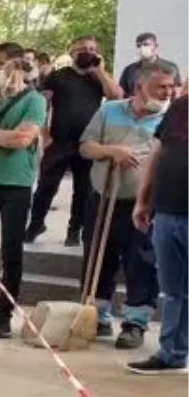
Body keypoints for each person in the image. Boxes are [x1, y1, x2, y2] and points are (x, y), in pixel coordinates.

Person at [77, 64, 172, 348]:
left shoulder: (172, 117)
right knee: (98, 257)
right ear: (140, 87)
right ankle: (98, 315)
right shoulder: (110, 110)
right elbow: (86, 146)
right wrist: (112, 151)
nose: (168, 93)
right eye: (161, 87)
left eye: (171, 87)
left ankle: (135, 323)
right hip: (103, 197)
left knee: (141, 262)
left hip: (142, 205)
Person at [26, 35, 124, 247]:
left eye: (92, 49)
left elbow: (116, 95)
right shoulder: (57, 76)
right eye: (83, 49)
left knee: (83, 190)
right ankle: (35, 225)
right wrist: (43, 133)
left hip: (88, 143)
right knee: (46, 186)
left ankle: (74, 231)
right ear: (72, 53)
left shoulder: (98, 79)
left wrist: (99, 70)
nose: (87, 52)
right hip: (59, 142)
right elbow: (43, 103)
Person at [0, 42, 48, 338]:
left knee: (12, 251)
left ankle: (3, 314)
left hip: (17, 184)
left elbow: (23, 139)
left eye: (2, 64)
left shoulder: (35, 100)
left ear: (18, 66)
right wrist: (1, 136)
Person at [130, 94, 189, 374]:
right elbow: (157, 151)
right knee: (173, 289)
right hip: (167, 210)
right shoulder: (180, 106)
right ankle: (171, 354)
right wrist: (142, 199)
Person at [119, 33, 182, 99]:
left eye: (146, 44)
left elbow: (176, 92)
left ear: (156, 46)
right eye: (138, 45)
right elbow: (122, 94)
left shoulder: (170, 67)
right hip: (137, 107)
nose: (142, 48)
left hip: (163, 106)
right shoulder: (129, 70)